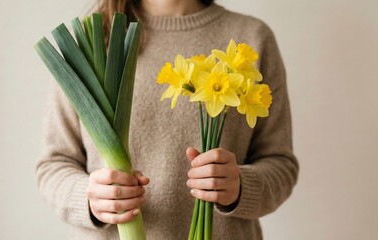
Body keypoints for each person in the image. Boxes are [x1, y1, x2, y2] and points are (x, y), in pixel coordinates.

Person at [36, 0, 299, 239]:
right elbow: (53, 166)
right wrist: (89, 198)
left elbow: (281, 165)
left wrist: (240, 186)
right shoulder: (89, 41)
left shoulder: (251, 38)